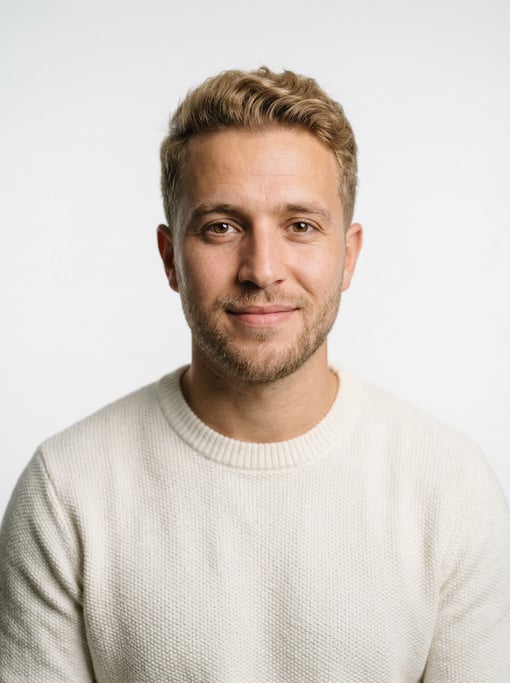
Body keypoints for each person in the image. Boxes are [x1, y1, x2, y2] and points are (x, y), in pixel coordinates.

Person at [1, 66, 509, 683]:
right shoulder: (67, 492)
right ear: (170, 258)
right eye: (222, 227)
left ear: (347, 255)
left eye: (300, 226)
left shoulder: (450, 490)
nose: (262, 269)